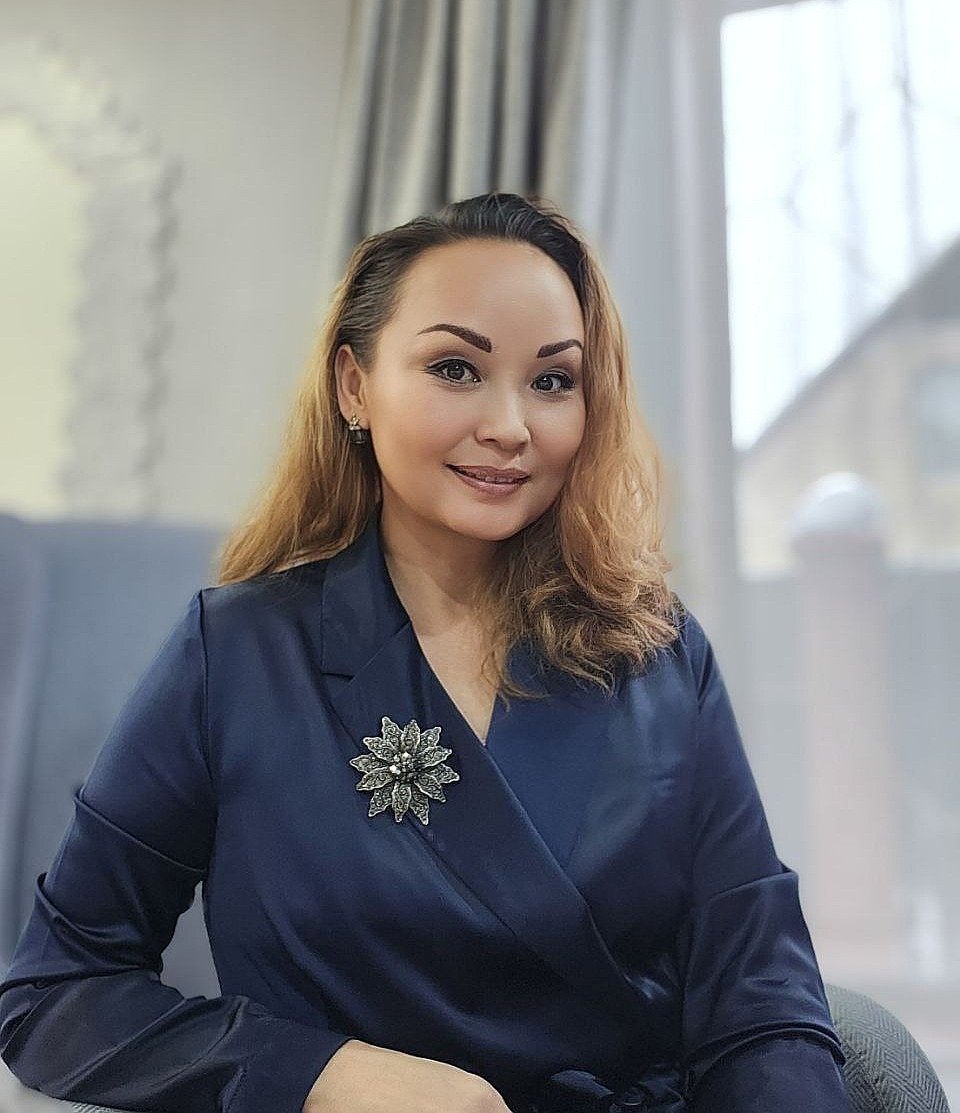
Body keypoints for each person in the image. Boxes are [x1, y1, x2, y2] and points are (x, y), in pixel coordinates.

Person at [0, 192, 852, 1113]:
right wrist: (325, 1073)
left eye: (553, 381)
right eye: (456, 368)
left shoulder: (660, 656)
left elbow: (760, 998)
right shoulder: (236, 655)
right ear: (354, 385)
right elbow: (55, 992)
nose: (511, 425)